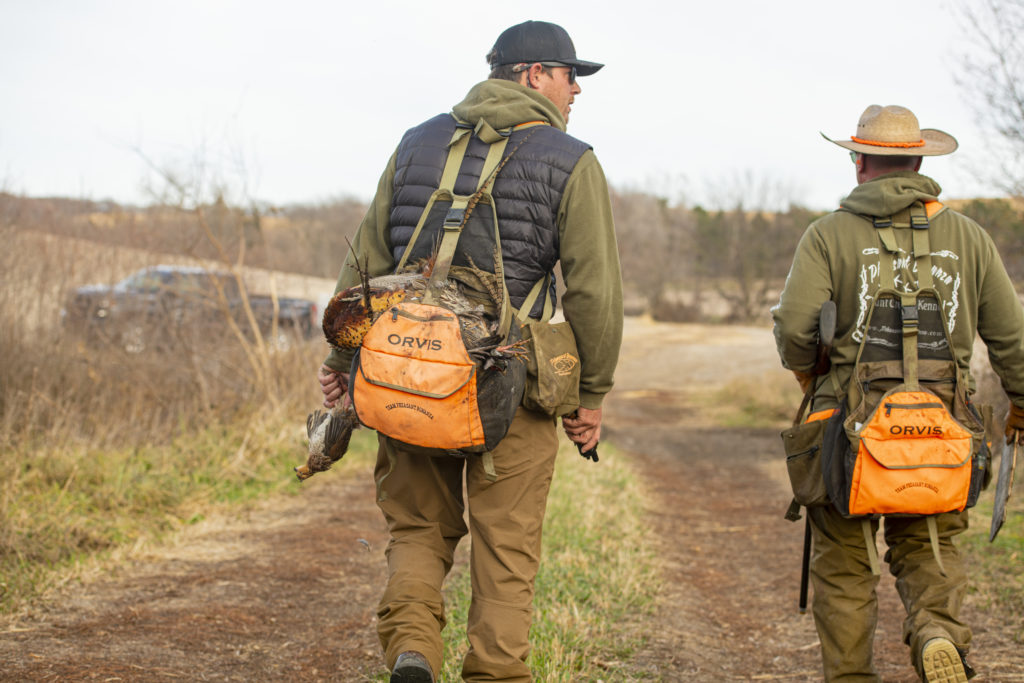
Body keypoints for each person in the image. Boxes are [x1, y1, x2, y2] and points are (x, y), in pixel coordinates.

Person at [316, 20, 622, 683]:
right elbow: (596, 292)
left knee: (418, 529)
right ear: (533, 74)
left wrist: (343, 364)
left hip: (406, 372)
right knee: (506, 547)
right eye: (572, 76)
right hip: (509, 381)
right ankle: (493, 674)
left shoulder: (416, 141)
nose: (576, 91)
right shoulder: (573, 161)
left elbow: (366, 262)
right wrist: (590, 395)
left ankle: (413, 651)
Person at [772, 104, 1024, 682]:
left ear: (861, 163)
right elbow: (1012, 338)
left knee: (844, 568)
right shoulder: (970, 236)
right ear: (917, 161)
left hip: (845, 431)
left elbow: (793, 329)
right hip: (945, 429)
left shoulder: (827, 234)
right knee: (928, 545)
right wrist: (1021, 404)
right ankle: (936, 631)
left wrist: (810, 377)